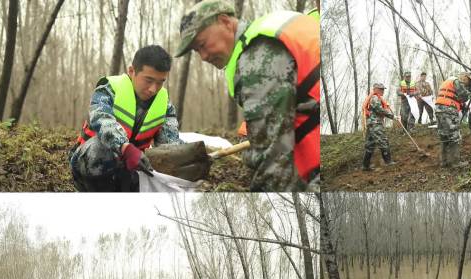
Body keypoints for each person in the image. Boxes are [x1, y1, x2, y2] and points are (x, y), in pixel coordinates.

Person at [176, 0, 320, 191]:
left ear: (225, 22)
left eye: (202, 44)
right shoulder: (274, 26)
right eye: (196, 51)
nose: (202, 56)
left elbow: (273, 162)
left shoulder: (257, 58)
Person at [69, 45, 183, 192]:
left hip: (133, 171)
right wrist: (124, 146)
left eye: (160, 82)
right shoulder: (109, 89)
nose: (153, 89)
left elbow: (170, 147)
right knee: (100, 149)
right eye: (148, 80)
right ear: (132, 71)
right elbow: (101, 118)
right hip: (89, 164)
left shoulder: (165, 105)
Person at [434, 72, 471, 167]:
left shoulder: (448, 81)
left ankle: (444, 161)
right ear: (464, 77)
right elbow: (464, 95)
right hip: (448, 109)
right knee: (455, 135)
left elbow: (453, 97)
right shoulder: (456, 81)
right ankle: (455, 162)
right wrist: (470, 95)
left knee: (444, 136)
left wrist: (462, 106)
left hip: (439, 109)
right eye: (468, 80)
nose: (468, 83)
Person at [361, 83, 396, 171]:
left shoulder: (375, 97)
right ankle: (388, 162)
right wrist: (392, 116)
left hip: (372, 124)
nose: (382, 91)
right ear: (375, 89)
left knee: (370, 144)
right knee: (383, 140)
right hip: (375, 123)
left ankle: (365, 166)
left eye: (383, 89)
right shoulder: (375, 98)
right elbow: (379, 109)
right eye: (381, 89)